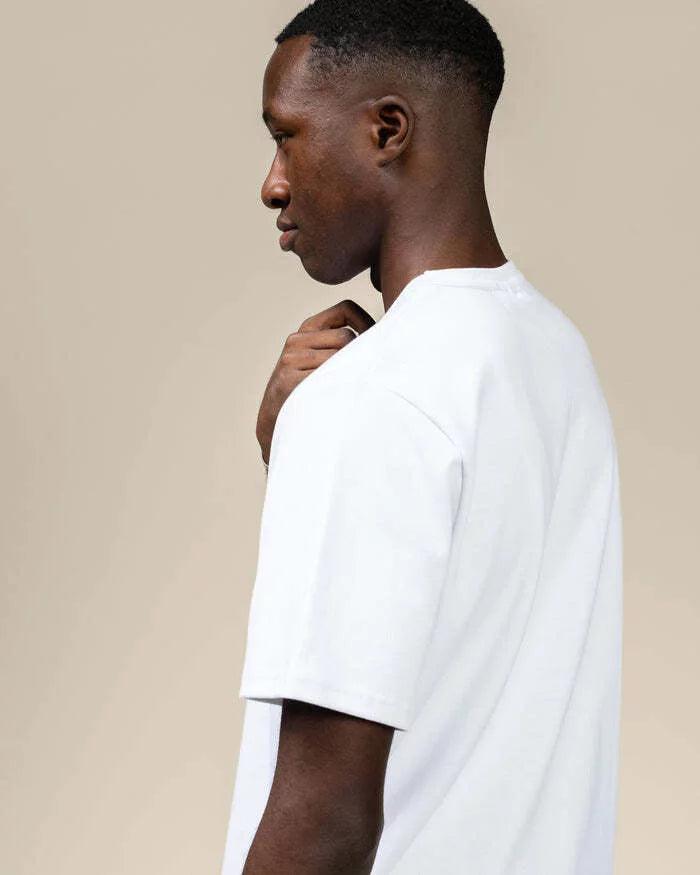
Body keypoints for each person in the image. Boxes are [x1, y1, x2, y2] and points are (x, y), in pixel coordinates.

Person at [221, 1, 623, 873]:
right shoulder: (557, 356)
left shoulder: (368, 398)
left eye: (286, 136)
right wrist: (293, 461)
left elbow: (326, 820)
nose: (272, 184)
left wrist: (322, 437)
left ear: (388, 130)